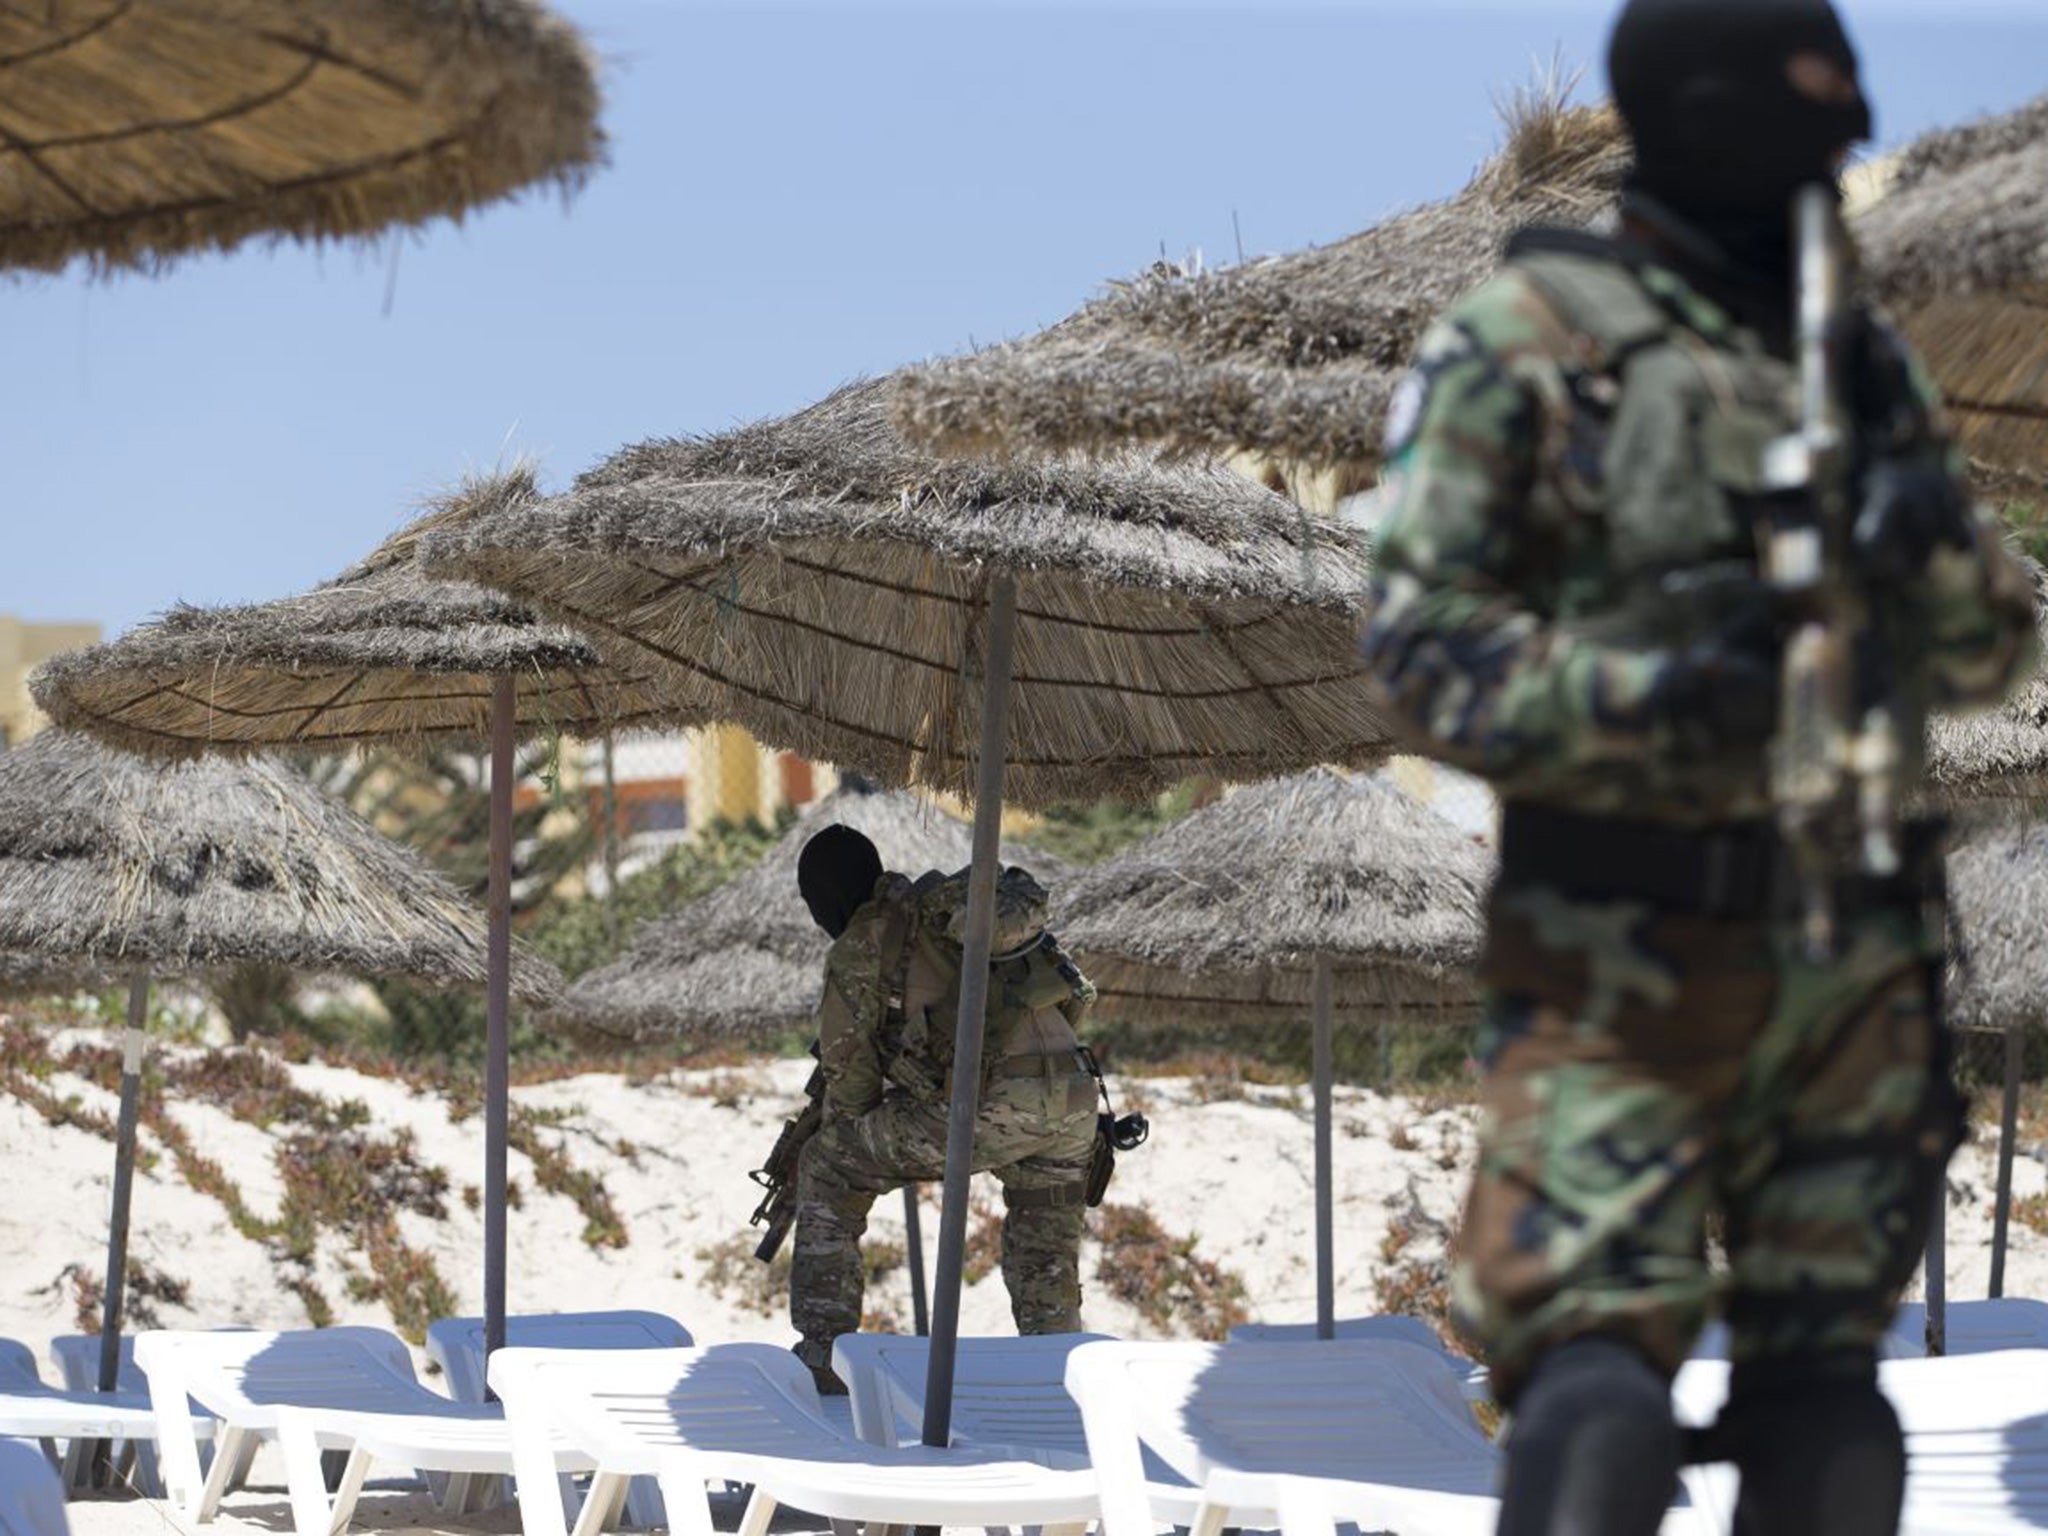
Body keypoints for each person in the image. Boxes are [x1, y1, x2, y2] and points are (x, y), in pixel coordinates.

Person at [1356, 2, 2041, 1532]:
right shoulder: (1539, 336)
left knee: (1822, 1418)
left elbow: (1997, 644)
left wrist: (1914, 553)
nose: (1835, 166)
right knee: (1602, 1391)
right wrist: (1673, 695)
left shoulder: (1852, 365)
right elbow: (1426, 643)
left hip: (1831, 962)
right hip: (1635, 940)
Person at [786, 823, 1099, 1392]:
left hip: (991, 1101)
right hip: (1075, 1097)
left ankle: (822, 1360)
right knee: (1044, 1242)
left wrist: (857, 1127)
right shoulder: (942, 918)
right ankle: (1065, 1379)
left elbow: (849, 1083)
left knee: (828, 1166)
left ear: (825, 898)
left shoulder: (864, 940)